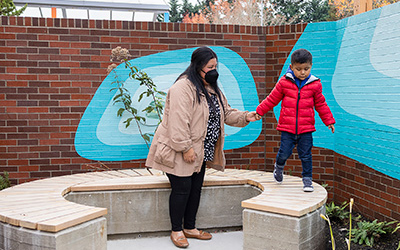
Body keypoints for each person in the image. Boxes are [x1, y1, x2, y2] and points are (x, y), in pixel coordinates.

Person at [145, 46, 258, 248]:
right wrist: (185, 148)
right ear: (198, 66)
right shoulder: (183, 87)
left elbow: (226, 112)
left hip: (201, 150)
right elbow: (178, 122)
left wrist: (245, 117)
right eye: (210, 66)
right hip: (179, 149)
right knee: (182, 189)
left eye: (216, 66)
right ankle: (176, 230)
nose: (214, 70)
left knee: (195, 188)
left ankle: (189, 227)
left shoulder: (212, 87)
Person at [255, 48, 335, 192]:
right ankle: (278, 167)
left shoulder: (315, 84)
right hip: (287, 128)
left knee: (306, 155)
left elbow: (321, 104)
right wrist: (260, 111)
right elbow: (272, 99)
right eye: (298, 69)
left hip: (306, 129)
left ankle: (307, 180)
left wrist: (328, 120)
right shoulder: (284, 82)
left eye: (306, 69)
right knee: (284, 152)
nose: (303, 72)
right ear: (291, 67)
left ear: (311, 66)